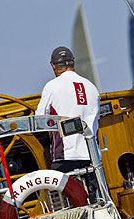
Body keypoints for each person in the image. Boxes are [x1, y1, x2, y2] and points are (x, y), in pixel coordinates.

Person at [36, 46, 100, 198]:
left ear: (53, 66)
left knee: (64, 200)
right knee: (94, 198)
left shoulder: (52, 86)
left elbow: (39, 119)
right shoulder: (91, 87)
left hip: (65, 156)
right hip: (91, 155)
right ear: (73, 63)